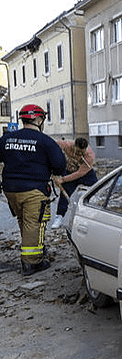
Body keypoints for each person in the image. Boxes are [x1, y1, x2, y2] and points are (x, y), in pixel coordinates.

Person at [0, 104, 66, 276]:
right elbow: (59, 165)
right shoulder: (45, 141)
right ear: (38, 119)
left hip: (10, 189)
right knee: (34, 223)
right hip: (33, 190)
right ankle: (32, 262)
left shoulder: (7, 139)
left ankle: (33, 248)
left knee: (24, 220)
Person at [51, 137, 98, 228]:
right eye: (78, 151)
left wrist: (63, 179)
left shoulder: (89, 156)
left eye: (82, 152)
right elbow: (53, 144)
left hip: (85, 174)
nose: (80, 154)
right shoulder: (67, 145)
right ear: (74, 146)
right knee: (64, 194)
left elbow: (79, 173)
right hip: (70, 170)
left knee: (97, 189)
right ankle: (59, 217)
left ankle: (95, 214)